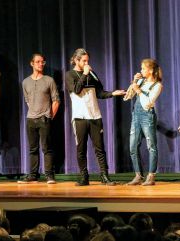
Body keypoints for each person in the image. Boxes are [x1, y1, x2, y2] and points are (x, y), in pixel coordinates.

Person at [66, 48, 125, 186]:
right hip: (80, 117)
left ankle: (104, 176)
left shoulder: (92, 74)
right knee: (81, 149)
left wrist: (113, 93)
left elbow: (100, 93)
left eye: (88, 61)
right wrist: (85, 74)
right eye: (84, 61)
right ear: (76, 60)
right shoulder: (70, 75)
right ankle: (84, 177)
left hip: (95, 116)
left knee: (100, 148)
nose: (87, 63)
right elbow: (77, 90)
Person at [18, 53, 60, 184]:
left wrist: (49, 116)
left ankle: (49, 175)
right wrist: (34, 111)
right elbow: (27, 100)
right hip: (31, 119)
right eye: (38, 62)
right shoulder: (25, 82)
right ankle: (33, 175)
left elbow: (56, 100)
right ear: (32, 63)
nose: (41, 64)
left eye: (42, 62)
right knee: (33, 149)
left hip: (44, 118)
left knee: (46, 148)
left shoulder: (49, 80)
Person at [125, 59, 163, 186]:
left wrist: (139, 91)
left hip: (147, 116)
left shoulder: (157, 85)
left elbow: (148, 104)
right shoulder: (140, 81)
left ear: (151, 70)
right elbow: (128, 96)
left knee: (151, 146)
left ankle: (151, 176)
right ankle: (138, 175)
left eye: (143, 68)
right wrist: (134, 82)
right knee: (132, 146)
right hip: (136, 116)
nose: (141, 71)